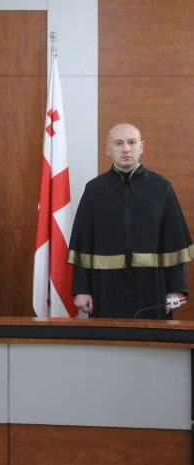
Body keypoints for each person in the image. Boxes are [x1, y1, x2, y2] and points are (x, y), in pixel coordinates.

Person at [67, 123, 194, 319]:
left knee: (152, 338)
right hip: (105, 287)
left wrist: (176, 289)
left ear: (141, 147)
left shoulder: (161, 187)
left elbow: (174, 242)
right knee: (109, 339)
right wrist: (82, 289)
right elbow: (83, 244)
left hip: (153, 287)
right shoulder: (94, 190)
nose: (126, 149)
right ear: (108, 149)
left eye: (132, 142)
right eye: (119, 143)